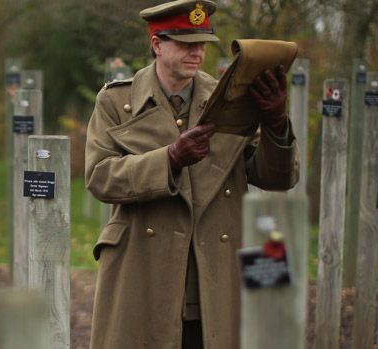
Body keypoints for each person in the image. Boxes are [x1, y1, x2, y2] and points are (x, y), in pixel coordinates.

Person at [84, 1, 299, 348]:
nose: (197, 53)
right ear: (157, 44)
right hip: (142, 270)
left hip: (215, 271)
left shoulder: (228, 99)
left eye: (202, 44)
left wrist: (276, 124)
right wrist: (168, 160)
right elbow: (100, 176)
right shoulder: (116, 102)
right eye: (186, 44)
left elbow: (277, 177)